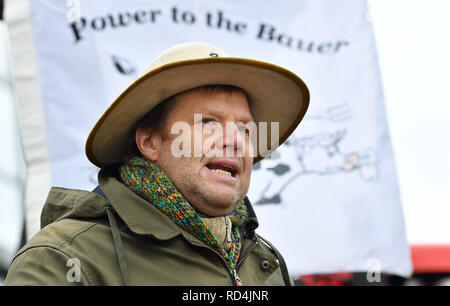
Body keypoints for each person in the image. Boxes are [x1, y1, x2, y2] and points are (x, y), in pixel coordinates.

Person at [4, 42, 309, 286]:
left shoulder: (265, 263)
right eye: (208, 122)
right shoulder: (65, 259)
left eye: (245, 128)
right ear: (149, 142)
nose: (236, 140)